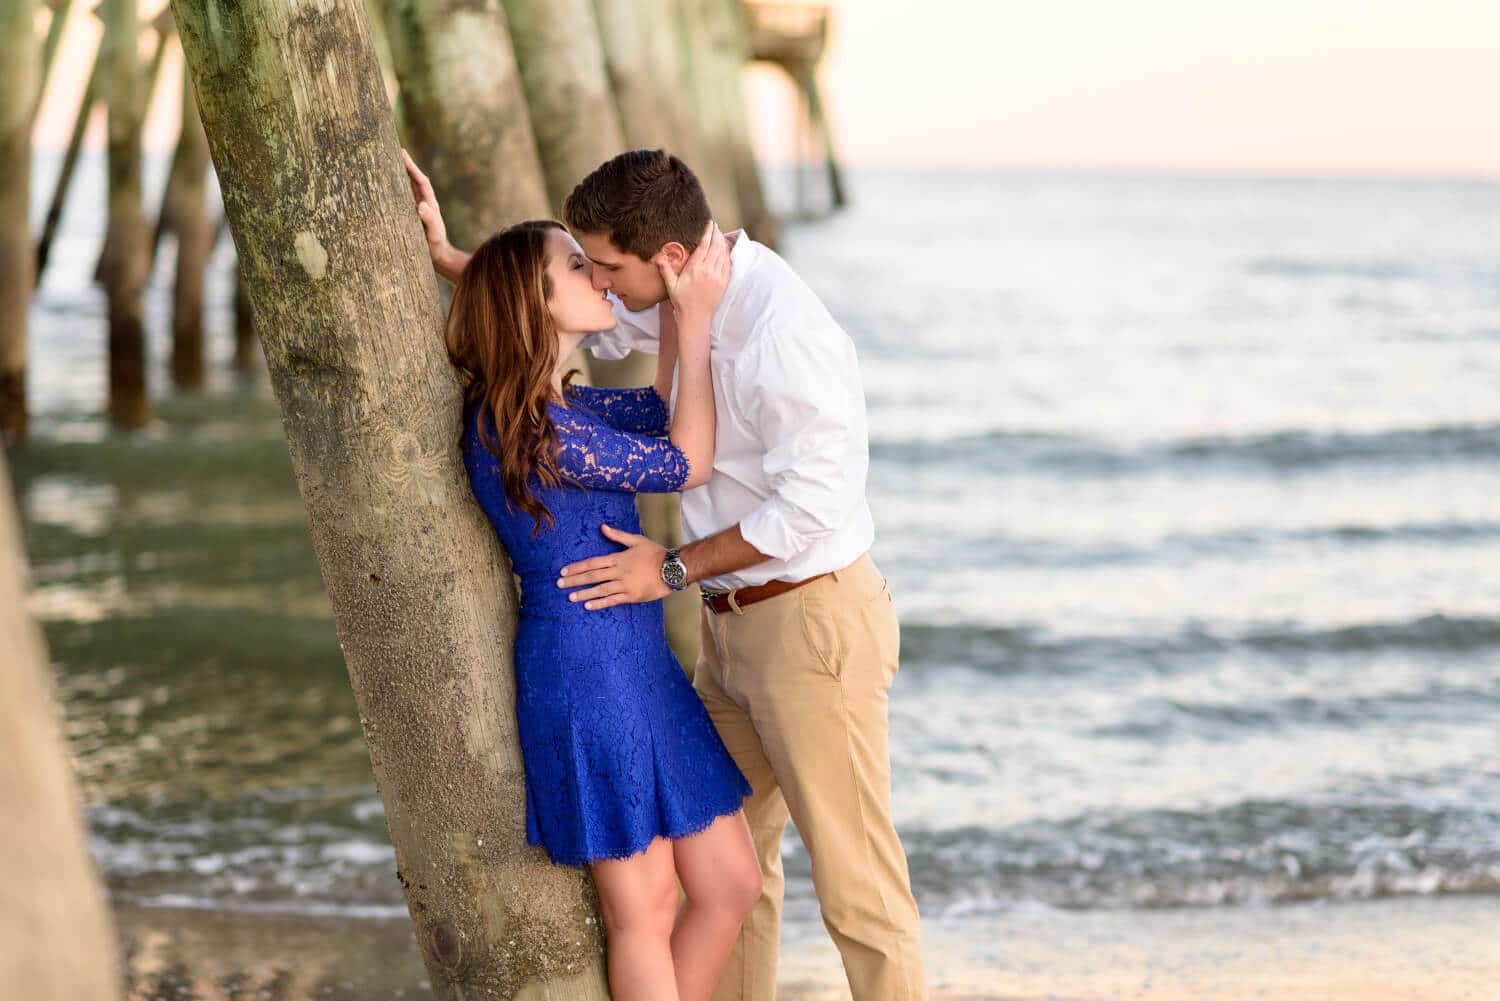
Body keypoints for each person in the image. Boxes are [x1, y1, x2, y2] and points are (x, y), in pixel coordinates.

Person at [405, 147, 927, 1001]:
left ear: (671, 262)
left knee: (851, 891)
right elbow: (574, 328)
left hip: (805, 623)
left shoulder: (779, 332)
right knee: (728, 878)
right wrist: (457, 263)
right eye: (585, 267)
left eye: (605, 264)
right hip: (691, 639)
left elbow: (808, 506)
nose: (604, 288)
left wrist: (677, 565)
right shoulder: (625, 339)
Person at [437, 198, 762, 1001]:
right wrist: (694, 311)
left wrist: (449, 251)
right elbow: (685, 460)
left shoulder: (565, 408)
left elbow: (658, 411)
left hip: (638, 662)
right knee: (645, 908)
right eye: (574, 267)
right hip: (587, 671)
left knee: (728, 882)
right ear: (533, 304)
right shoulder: (533, 428)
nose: (594, 272)